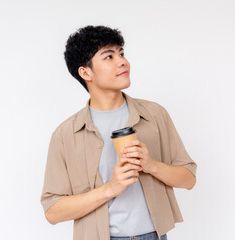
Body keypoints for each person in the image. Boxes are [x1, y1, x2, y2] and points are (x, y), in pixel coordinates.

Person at [40, 25, 197, 240]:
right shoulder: (66, 134)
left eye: (121, 53)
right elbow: (53, 211)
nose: (122, 61)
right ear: (85, 72)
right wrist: (110, 188)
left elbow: (188, 179)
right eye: (109, 56)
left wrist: (151, 165)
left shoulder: (154, 115)